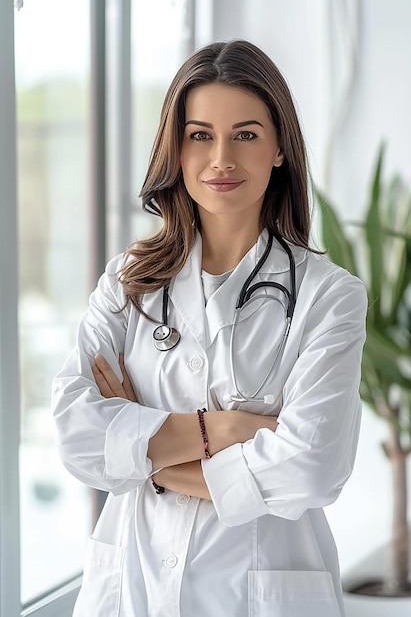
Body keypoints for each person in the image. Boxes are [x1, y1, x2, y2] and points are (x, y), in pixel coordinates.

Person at [52, 39, 367, 617]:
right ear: (177, 147)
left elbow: (311, 470)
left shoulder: (329, 296)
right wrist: (228, 429)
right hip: (132, 587)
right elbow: (77, 437)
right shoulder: (128, 281)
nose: (221, 157)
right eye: (200, 135)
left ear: (279, 150)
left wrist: (146, 459)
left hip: (261, 597)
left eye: (245, 134)